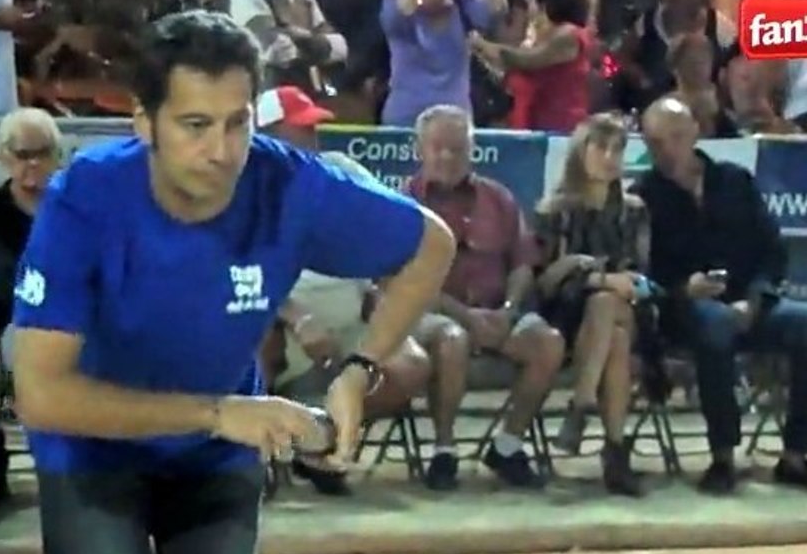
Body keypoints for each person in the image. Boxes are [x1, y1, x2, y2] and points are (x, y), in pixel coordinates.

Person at [11, 11, 454, 554]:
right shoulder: (85, 199)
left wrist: (360, 371)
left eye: (237, 121)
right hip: (92, 456)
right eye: (195, 125)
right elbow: (41, 396)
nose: (221, 150)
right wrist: (217, 413)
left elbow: (431, 245)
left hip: (215, 460)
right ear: (144, 123)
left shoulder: (287, 185)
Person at [255, 85, 433, 495]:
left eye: (312, 127)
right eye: (299, 129)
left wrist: (380, 293)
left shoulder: (340, 169)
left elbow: (404, 230)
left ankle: (318, 444)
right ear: (267, 135)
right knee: (256, 343)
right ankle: (254, 459)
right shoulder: (247, 187)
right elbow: (238, 272)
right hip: (280, 317)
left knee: (411, 365)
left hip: (352, 313)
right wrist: (296, 316)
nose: (311, 138)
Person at [638, 97, 807, 495]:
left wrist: (754, 297)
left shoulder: (735, 180)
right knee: (714, 325)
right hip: (683, 311)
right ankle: (723, 455)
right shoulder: (643, 196)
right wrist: (683, 288)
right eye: (656, 142)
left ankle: (797, 453)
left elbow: (772, 251)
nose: (667, 150)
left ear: (695, 131)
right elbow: (642, 273)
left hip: (751, 302)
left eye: (675, 137)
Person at [405, 104, 564, 491]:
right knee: (452, 340)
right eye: (438, 147)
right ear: (419, 149)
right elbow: (408, 281)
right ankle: (444, 450)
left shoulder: (499, 199)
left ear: (472, 150)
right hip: (432, 314)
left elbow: (523, 263)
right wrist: (466, 316)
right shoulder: (402, 202)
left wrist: (509, 311)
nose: (447, 156)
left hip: (497, 313)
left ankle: (508, 445)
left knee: (548, 343)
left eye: (457, 148)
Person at [534, 113, 650, 497]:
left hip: (630, 309)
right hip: (569, 316)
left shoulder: (634, 211)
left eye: (618, 149)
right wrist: (600, 279)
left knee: (610, 309)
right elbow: (547, 279)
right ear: (580, 152)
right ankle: (615, 453)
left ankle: (582, 405)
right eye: (600, 146)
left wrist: (609, 282)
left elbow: (638, 275)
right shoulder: (555, 210)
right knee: (611, 332)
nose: (609, 156)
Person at [0, 107, 61, 367]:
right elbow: (4, 285)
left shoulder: (79, 208)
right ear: (4, 157)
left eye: (43, 153)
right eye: (23, 154)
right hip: (19, 323)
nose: (34, 162)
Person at [379, 0, 507, 127]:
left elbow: (499, 9)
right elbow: (394, 17)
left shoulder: (463, 5)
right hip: (406, 118)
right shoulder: (398, 3)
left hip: (454, 119)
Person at [468, 0, 590, 133]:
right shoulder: (535, 38)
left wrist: (480, 44)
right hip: (528, 132)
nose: (526, 0)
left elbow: (526, 61)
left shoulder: (569, 36)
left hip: (560, 134)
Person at [228, 0, 348, 96]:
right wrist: (316, 44)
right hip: (270, 97)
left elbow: (339, 47)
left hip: (310, 93)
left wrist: (302, 39)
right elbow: (271, 45)